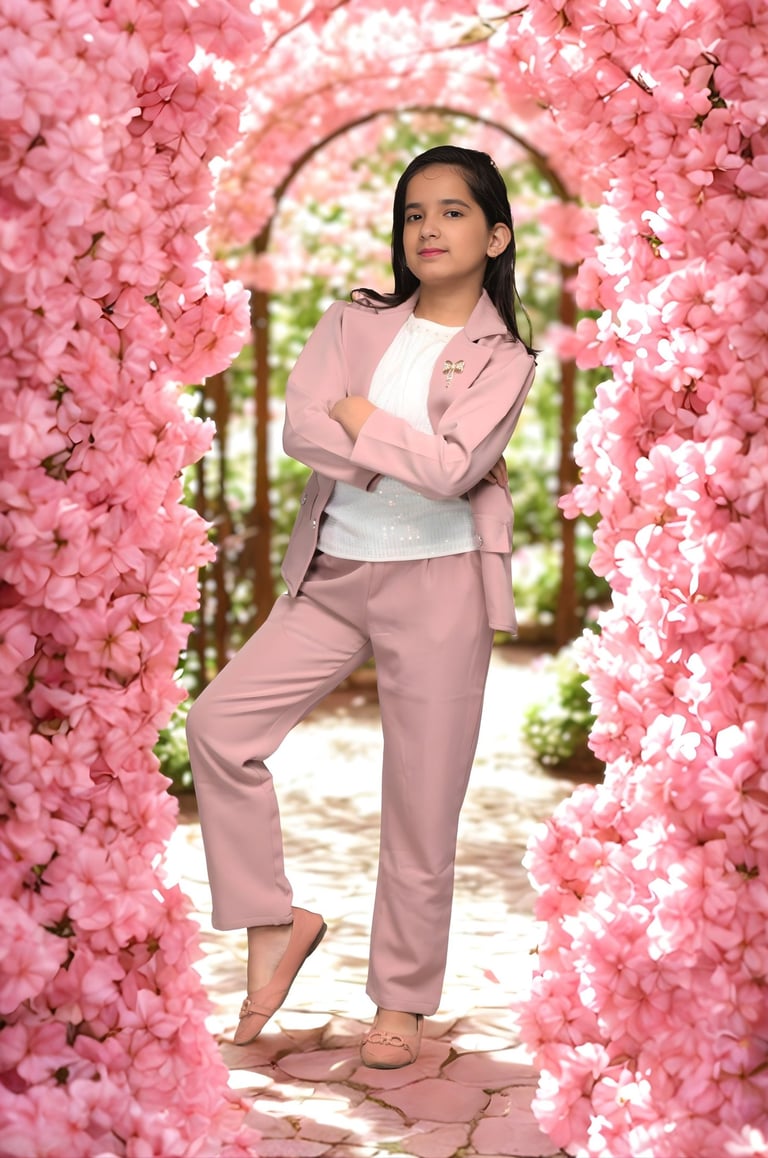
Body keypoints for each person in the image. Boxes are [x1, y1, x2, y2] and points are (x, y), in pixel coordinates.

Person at [186, 144, 537, 1070]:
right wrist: (390, 442)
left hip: (441, 586)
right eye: (415, 213)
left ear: (496, 235)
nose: (429, 228)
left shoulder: (506, 359)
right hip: (334, 573)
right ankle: (275, 920)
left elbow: (458, 471)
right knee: (220, 725)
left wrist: (362, 420)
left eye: (454, 212)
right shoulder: (352, 320)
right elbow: (307, 424)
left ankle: (403, 1002)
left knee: (420, 807)